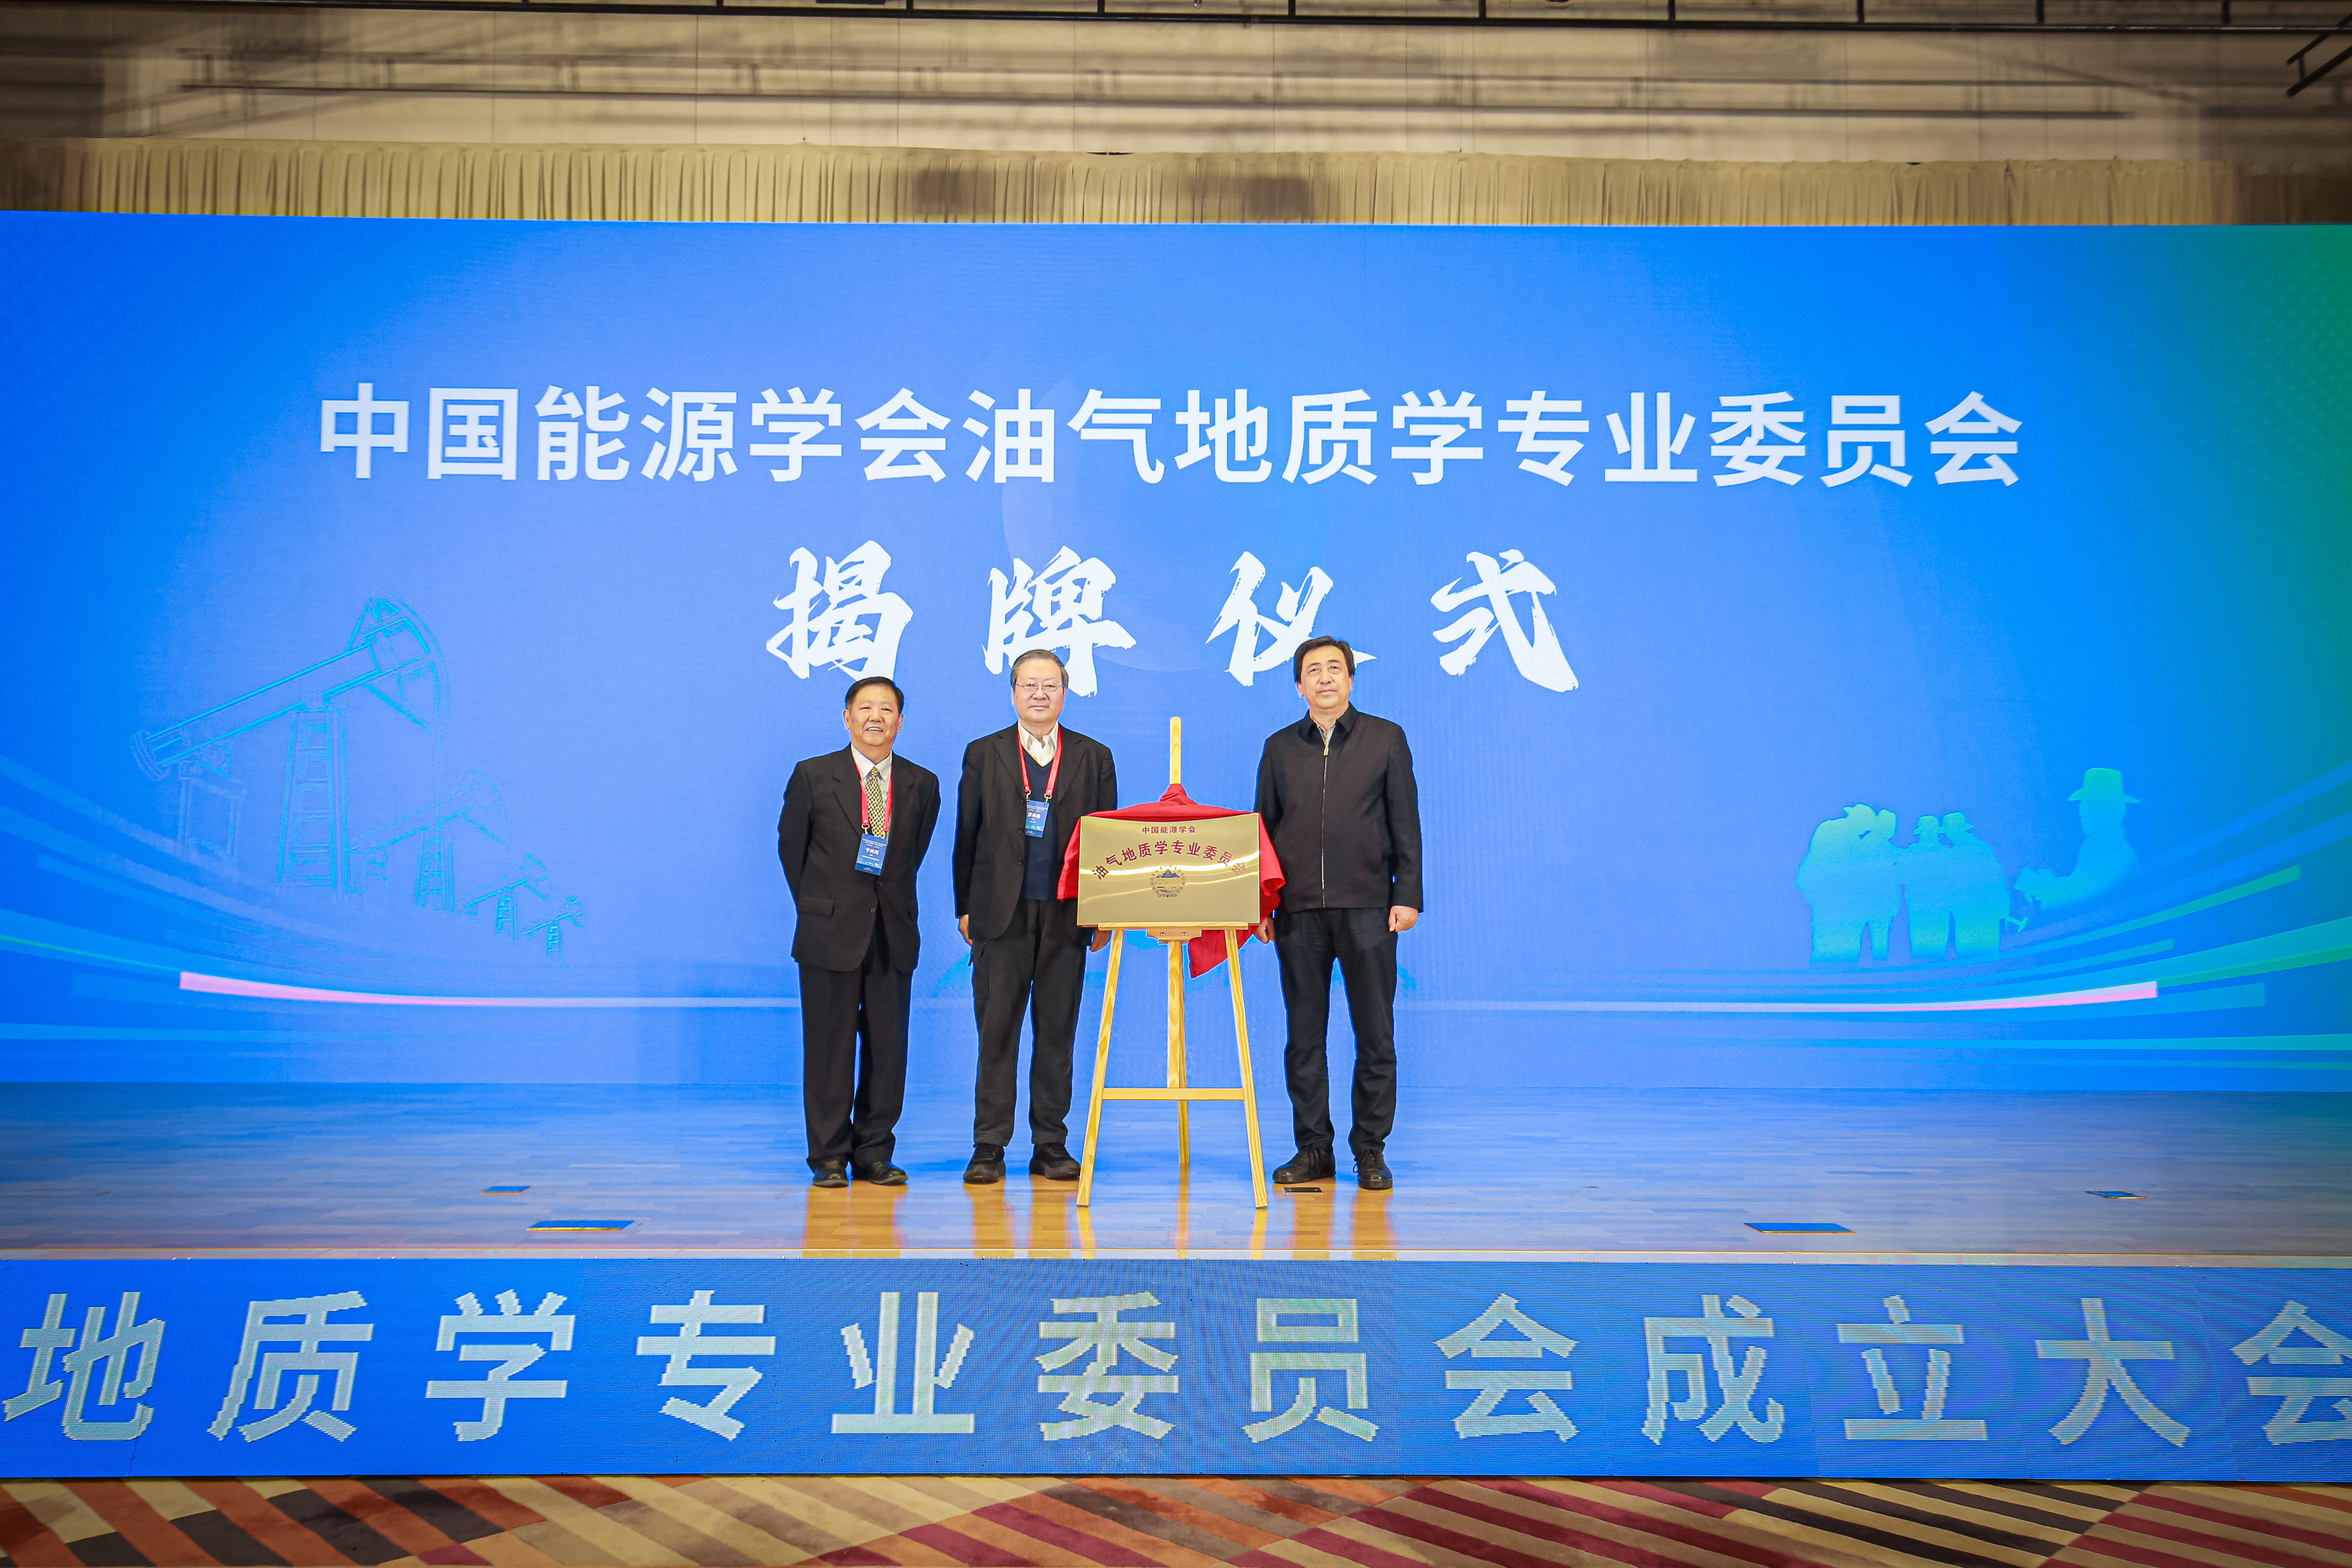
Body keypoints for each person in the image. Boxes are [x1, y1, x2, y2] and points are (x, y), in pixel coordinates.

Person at [1253, 636, 1421, 1191]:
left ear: (1351, 679)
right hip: (1298, 911)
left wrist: (1406, 894)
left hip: (1369, 907)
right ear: (1299, 686)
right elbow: (1262, 831)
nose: (1324, 678)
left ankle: (1370, 1150)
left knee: (1375, 1036)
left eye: (1334, 669)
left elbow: (1405, 823)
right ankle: (1313, 1149)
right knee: (1304, 1039)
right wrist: (1261, 904)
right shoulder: (1280, 748)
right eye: (1313, 671)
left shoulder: (1385, 739)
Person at [951, 648, 1119, 1185]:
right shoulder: (984, 753)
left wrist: (1102, 912)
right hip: (1000, 914)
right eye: (1029, 684)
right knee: (996, 1032)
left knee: (1057, 1033)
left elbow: (1107, 841)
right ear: (1014, 693)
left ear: (1065, 693)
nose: (1040, 694)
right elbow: (967, 833)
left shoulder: (1094, 756)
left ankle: (1051, 1143)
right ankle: (989, 1145)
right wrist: (965, 906)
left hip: (1068, 916)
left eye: (1050, 685)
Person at [776, 676, 941, 1189]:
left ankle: (874, 1153)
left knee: (888, 1050)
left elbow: (912, 855)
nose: (876, 718)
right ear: (847, 717)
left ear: (900, 722)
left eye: (887, 710)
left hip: (893, 931)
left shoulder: (922, 783)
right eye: (865, 709)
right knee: (828, 1049)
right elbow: (792, 850)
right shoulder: (812, 775)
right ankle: (828, 1156)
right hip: (829, 931)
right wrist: (824, 906)